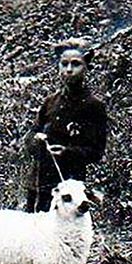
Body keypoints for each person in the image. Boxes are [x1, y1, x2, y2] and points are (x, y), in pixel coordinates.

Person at [24, 42, 107, 213]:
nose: (69, 69)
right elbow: (32, 134)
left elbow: (96, 151)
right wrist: (37, 141)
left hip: (68, 191)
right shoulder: (50, 102)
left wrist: (66, 152)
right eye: (64, 64)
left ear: (86, 67)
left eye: (76, 64)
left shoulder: (93, 106)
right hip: (38, 185)